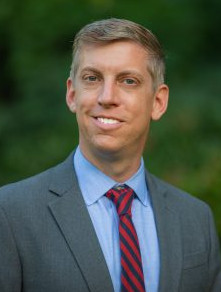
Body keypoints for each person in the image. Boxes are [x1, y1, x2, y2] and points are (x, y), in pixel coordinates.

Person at [0, 18, 220, 292]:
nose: (107, 97)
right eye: (92, 78)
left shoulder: (196, 219)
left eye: (128, 81)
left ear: (158, 102)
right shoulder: (9, 213)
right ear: (72, 94)